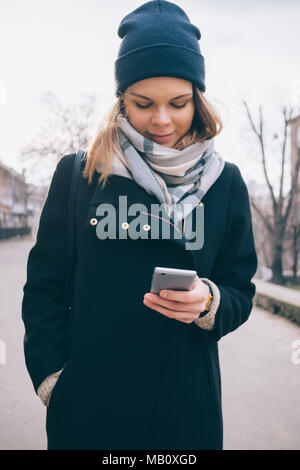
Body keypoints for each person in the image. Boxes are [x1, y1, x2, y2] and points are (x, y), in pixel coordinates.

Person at [21, 0, 258, 450]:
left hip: (186, 410)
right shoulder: (80, 175)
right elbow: (44, 288)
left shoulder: (225, 183)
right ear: (121, 99)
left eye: (179, 102)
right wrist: (52, 379)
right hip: (90, 409)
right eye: (143, 103)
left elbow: (240, 291)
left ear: (198, 98)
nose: (162, 119)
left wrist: (210, 302)